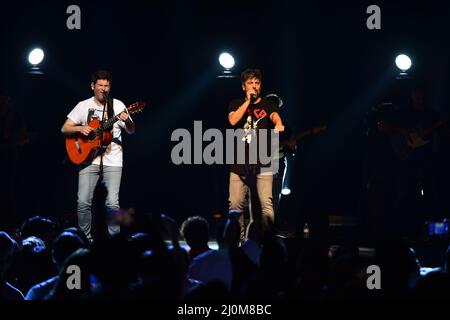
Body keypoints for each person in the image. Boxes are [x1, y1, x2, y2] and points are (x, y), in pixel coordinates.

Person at [61, 70, 135, 241]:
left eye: (107, 85)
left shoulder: (117, 105)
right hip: (88, 159)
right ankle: (85, 240)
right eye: (100, 85)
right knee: (83, 202)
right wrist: (80, 128)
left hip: (114, 160)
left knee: (112, 204)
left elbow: (131, 130)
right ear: (93, 86)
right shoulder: (83, 105)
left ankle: (114, 241)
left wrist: (128, 119)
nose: (104, 89)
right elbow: (65, 128)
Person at [227, 69, 285, 239]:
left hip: (263, 163)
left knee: (264, 205)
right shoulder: (235, 103)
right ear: (244, 87)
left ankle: (264, 241)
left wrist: (279, 124)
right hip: (239, 163)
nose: (254, 86)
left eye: (257, 83)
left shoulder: (268, 105)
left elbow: (275, 116)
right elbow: (233, 120)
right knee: (235, 205)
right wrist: (248, 102)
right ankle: (237, 242)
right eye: (250, 83)